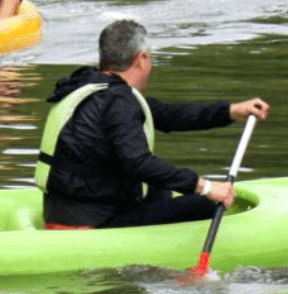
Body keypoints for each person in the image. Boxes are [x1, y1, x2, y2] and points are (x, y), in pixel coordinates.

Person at [35, 19, 269, 229]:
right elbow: (138, 162)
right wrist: (206, 187)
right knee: (206, 205)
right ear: (141, 58)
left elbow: (168, 115)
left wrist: (231, 111)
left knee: (157, 187)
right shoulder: (118, 101)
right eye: (150, 57)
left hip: (64, 211)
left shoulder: (88, 87)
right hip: (94, 223)